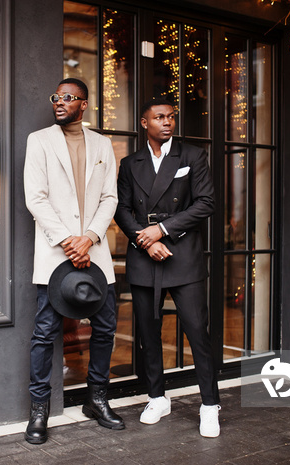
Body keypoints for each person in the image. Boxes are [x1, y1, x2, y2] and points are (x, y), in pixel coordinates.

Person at [23, 78, 124, 444]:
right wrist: (69, 242)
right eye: (56, 97)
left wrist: (90, 238)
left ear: (84, 104)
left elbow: (110, 198)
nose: (59, 102)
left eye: (68, 97)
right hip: (55, 254)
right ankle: (38, 411)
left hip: (94, 253)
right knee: (44, 333)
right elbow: (35, 198)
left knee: (105, 329)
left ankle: (97, 400)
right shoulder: (40, 140)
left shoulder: (102, 143)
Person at [114, 98, 221, 437]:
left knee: (197, 332)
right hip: (145, 256)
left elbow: (206, 202)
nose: (167, 122)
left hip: (183, 254)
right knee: (148, 334)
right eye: (159, 117)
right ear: (144, 123)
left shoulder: (192, 156)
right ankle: (157, 397)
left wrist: (162, 230)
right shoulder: (131, 163)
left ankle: (209, 405)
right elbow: (122, 210)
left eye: (171, 117)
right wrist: (145, 240)